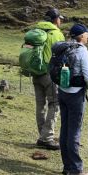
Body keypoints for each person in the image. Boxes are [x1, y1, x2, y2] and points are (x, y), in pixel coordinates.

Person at [59, 23, 88, 175]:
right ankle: (75, 168)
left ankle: (67, 166)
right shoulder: (82, 51)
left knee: (65, 128)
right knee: (74, 130)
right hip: (75, 94)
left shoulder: (65, 47)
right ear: (81, 36)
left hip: (62, 90)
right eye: (87, 34)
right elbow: (87, 73)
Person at [32, 8, 65, 150]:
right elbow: (62, 54)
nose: (61, 21)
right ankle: (46, 137)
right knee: (55, 103)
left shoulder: (36, 31)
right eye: (59, 18)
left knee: (40, 104)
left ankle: (43, 135)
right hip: (49, 73)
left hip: (35, 72)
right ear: (54, 19)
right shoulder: (57, 34)